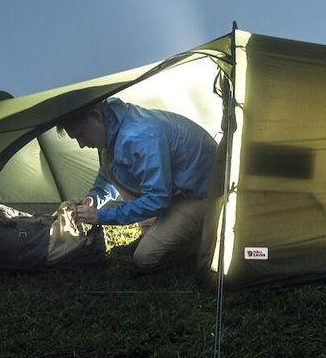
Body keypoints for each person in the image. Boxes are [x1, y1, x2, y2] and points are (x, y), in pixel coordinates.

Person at [57, 98, 220, 272]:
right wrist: (93, 198)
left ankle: (198, 241)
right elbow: (109, 175)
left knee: (145, 258)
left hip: (204, 193)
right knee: (107, 158)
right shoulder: (113, 125)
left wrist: (101, 216)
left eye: (81, 134)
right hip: (178, 188)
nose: (81, 144)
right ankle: (159, 230)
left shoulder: (138, 136)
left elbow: (158, 199)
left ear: (96, 116)